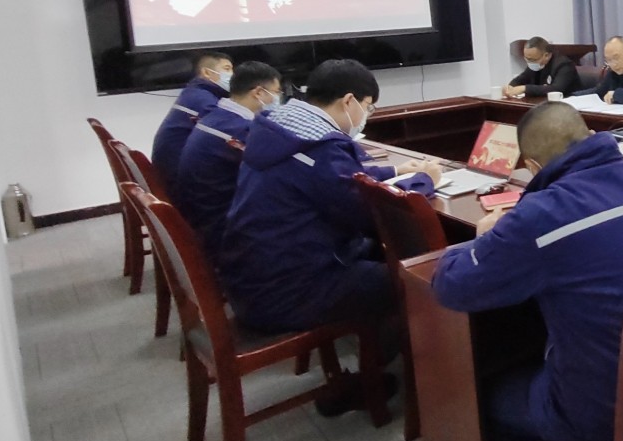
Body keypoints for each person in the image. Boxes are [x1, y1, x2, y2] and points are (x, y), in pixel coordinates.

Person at [431, 101, 623, 441]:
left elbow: (450, 285)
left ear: (532, 167)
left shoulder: (540, 217)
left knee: (482, 393)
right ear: (592, 135)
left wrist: (484, 238)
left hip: (597, 417)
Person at [220, 59, 441, 335]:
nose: (366, 115)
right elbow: (369, 212)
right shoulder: (320, 147)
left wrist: (393, 171)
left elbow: (335, 178)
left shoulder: (280, 129)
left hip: (253, 281)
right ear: (349, 101)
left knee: (382, 252)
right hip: (290, 293)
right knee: (421, 279)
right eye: (368, 106)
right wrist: (424, 181)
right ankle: (398, 355)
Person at [176, 61, 281, 260]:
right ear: (258, 92)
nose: (278, 98)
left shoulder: (217, 116)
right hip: (222, 229)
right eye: (276, 92)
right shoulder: (239, 130)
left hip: (202, 214)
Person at [150, 51, 232, 186]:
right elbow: (230, 134)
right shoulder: (203, 100)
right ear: (206, 72)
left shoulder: (195, 93)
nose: (232, 75)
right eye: (227, 69)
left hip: (173, 171)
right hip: (180, 179)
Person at [506, 36, 580, 98]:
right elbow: (522, 78)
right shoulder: (535, 65)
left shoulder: (564, 65)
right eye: (526, 58)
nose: (529, 62)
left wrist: (525, 88)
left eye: (532, 60)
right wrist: (510, 86)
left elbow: (557, 89)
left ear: (546, 55)